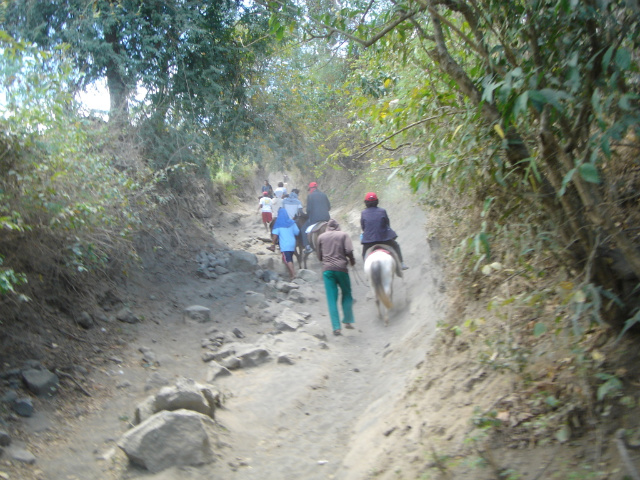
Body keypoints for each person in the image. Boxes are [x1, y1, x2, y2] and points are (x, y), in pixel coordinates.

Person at [317, 219, 356, 336]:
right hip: (342, 269)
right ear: (338, 227)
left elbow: (319, 257)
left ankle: (336, 328)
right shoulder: (344, 235)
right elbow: (349, 250)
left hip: (327, 271)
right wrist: (352, 261)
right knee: (347, 294)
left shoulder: (321, 237)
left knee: (331, 299)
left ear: (327, 227)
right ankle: (348, 321)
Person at [360, 192, 408, 270]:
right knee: (396, 245)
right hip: (384, 239)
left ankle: (366, 268)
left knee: (364, 254)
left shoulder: (363, 213)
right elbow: (387, 224)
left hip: (369, 241)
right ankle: (401, 263)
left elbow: (363, 227)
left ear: (366, 202)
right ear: (377, 201)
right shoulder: (382, 211)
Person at [270, 208, 300, 280]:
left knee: (287, 260)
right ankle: (290, 274)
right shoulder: (292, 223)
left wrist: (272, 245)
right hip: (292, 244)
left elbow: (274, 236)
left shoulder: (278, 224)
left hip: (284, 245)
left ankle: (293, 274)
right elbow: (297, 232)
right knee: (289, 258)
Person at [302, 181, 331, 253]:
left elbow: (308, 210)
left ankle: (308, 247)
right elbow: (329, 207)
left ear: (311, 188)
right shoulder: (324, 195)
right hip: (326, 218)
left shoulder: (310, 196)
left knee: (303, 229)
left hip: (315, 219)